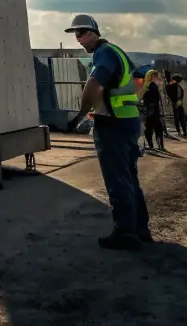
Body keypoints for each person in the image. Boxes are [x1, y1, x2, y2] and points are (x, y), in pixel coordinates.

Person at [64, 13, 151, 251]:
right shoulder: (116, 51)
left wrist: (80, 116)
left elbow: (94, 84)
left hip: (114, 124)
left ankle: (126, 233)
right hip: (128, 120)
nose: (78, 38)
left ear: (94, 33)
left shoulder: (103, 53)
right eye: (75, 34)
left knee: (117, 179)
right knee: (129, 177)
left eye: (82, 33)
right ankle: (140, 228)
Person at [141, 70, 165, 152]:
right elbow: (154, 99)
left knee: (149, 129)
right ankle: (159, 145)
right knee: (157, 128)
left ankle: (152, 145)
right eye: (156, 76)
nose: (158, 78)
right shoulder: (152, 86)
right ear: (152, 77)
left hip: (149, 111)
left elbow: (144, 99)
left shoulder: (146, 86)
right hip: (153, 111)